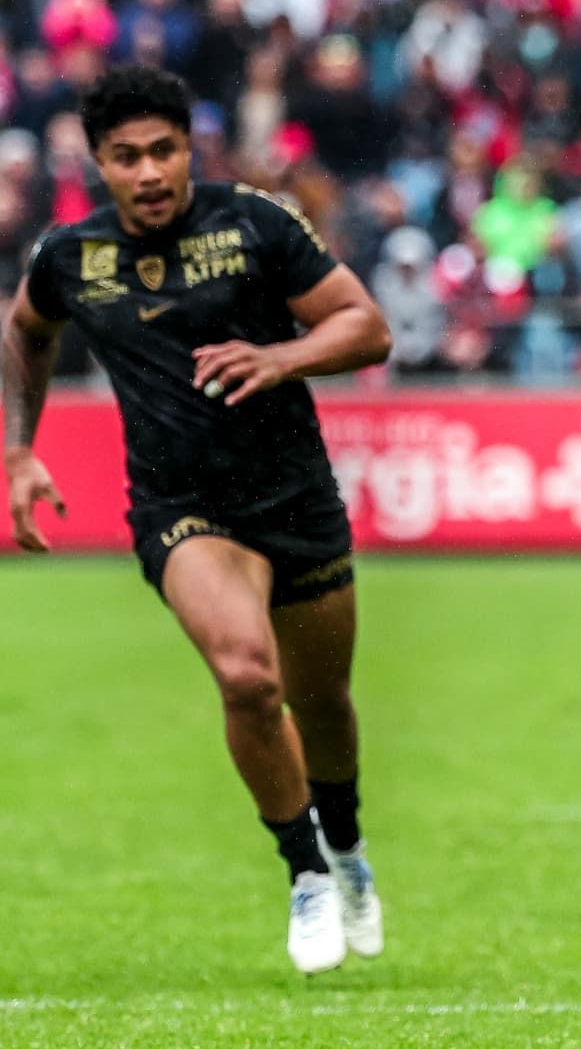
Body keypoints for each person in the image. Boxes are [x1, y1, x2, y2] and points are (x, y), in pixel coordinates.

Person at [2, 66, 392, 975]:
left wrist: (281, 356)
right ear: (98, 162)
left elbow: (366, 328)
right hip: (183, 512)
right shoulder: (72, 257)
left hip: (294, 497)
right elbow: (25, 330)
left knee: (323, 701)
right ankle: (305, 873)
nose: (148, 173)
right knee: (248, 679)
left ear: (189, 150)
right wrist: (20, 449)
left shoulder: (254, 223)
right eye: (126, 156)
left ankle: (346, 849)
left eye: (163, 151)